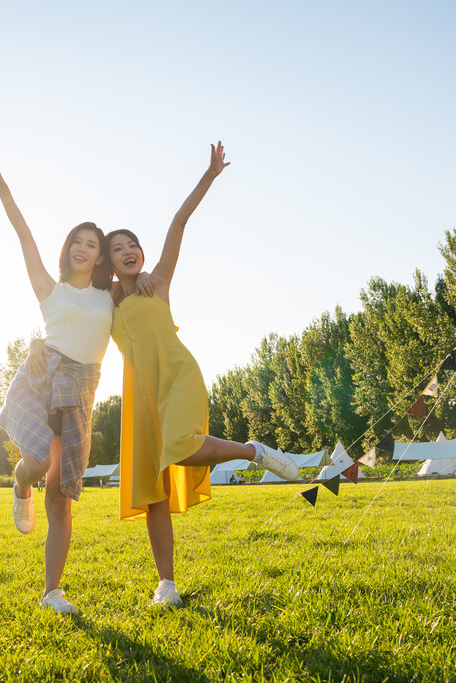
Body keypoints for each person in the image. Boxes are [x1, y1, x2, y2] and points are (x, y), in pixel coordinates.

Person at [105, 141, 299, 608]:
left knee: (185, 447)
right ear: (108, 262)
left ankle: (253, 451)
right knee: (152, 492)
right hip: (138, 396)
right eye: (118, 249)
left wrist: (209, 176)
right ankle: (166, 584)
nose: (129, 251)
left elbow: (178, 222)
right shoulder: (104, 302)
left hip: (178, 376)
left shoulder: (160, 282)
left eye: (133, 245)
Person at [0, 149, 149, 615]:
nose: (83, 247)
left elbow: (134, 275)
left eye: (92, 244)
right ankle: (18, 485)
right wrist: (3, 189)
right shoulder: (49, 289)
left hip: (82, 390)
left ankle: (52, 592)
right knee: (33, 462)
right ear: (68, 248)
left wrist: (145, 273)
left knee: (62, 498)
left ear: (99, 257)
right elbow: (24, 234)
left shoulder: (108, 294)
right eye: (78, 240)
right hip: (41, 377)